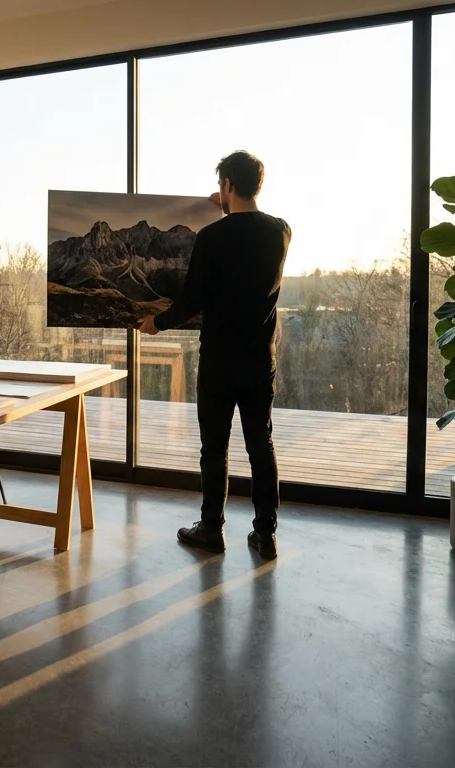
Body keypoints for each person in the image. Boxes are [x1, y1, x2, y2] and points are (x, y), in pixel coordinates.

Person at [138, 151, 290, 558]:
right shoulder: (281, 232)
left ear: (227, 186)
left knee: (215, 447)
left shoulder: (212, 237)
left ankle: (211, 528)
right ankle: (266, 535)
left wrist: (158, 324)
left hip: (220, 360)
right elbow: (246, 237)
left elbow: (191, 301)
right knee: (261, 444)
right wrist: (224, 205)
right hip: (260, 358)